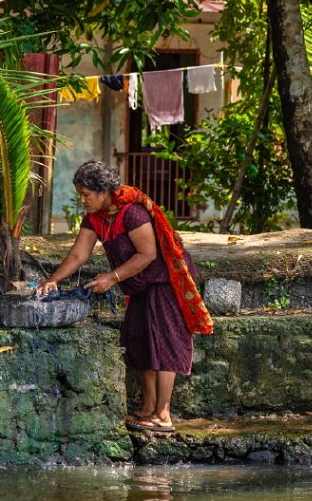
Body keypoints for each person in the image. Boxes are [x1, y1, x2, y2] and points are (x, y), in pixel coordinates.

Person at [37, 160, 213, 432]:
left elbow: (148, 254)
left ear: (105, 191)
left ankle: (163, 415)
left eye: (87, 195)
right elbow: (78, 255)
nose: (82, 200)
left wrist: (111, 278)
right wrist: (52, 280)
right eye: (80, 194)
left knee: (164, 341)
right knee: (138, 340)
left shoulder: (131, 213)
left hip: (163, 280)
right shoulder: (94, 218)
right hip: (139, 283)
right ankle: (147, 407)